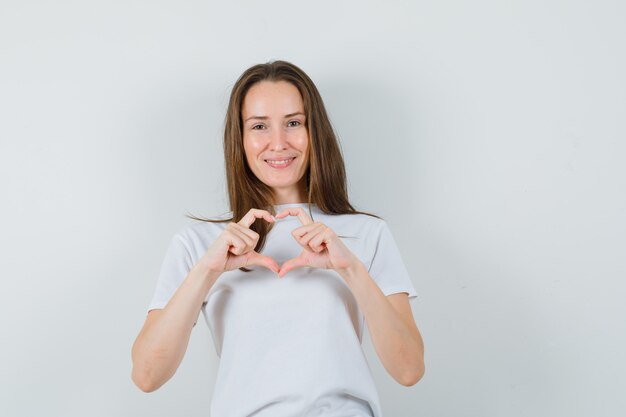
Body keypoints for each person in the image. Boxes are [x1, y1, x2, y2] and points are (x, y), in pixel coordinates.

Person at [131, 60, 425, 417]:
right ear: (239, 138)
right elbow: (147, 376)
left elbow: (409, 370)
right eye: (259, 126)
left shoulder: (364, 234)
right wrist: (207, 271)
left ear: (315, 130)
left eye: (294, 123)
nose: (278, 143)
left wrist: (351, 270)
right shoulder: (202, 244)